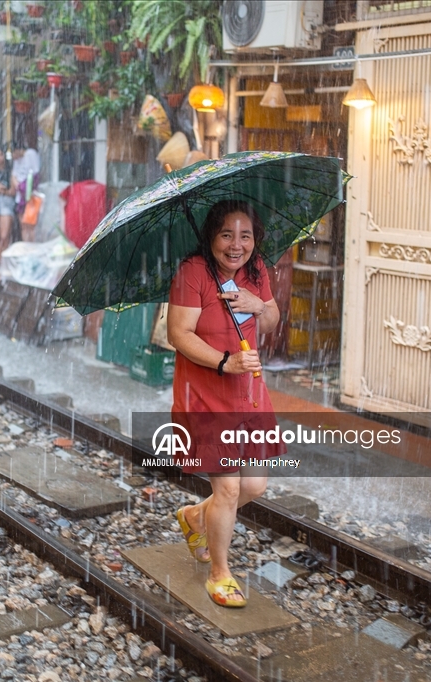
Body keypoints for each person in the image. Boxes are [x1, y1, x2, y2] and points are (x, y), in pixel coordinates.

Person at [166, 200, 282, 608]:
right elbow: (178, 334)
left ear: (256, 238)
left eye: (245, 235)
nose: (237, 245)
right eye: (226, 235)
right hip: (205, 395)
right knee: (229, 488)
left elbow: (270, 319)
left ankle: (196, 517)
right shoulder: (193, 273)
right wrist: (224, 362)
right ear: (211, 236)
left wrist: (258, 305)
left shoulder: (256, 271)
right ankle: (220, 572)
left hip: (249, 392)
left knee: (254, 484)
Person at [11, 143, 41, 242]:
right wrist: (18, 185)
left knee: (31, 224)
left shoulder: (30, 154)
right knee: (23, 224)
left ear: (17, 150)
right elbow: (14, 175)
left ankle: (32, 246)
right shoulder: (16, 160)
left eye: (13, 154)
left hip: (31, 195)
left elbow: (35, 174)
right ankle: (26, 245)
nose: (13, 157)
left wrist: (25, 187)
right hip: (20, 196)